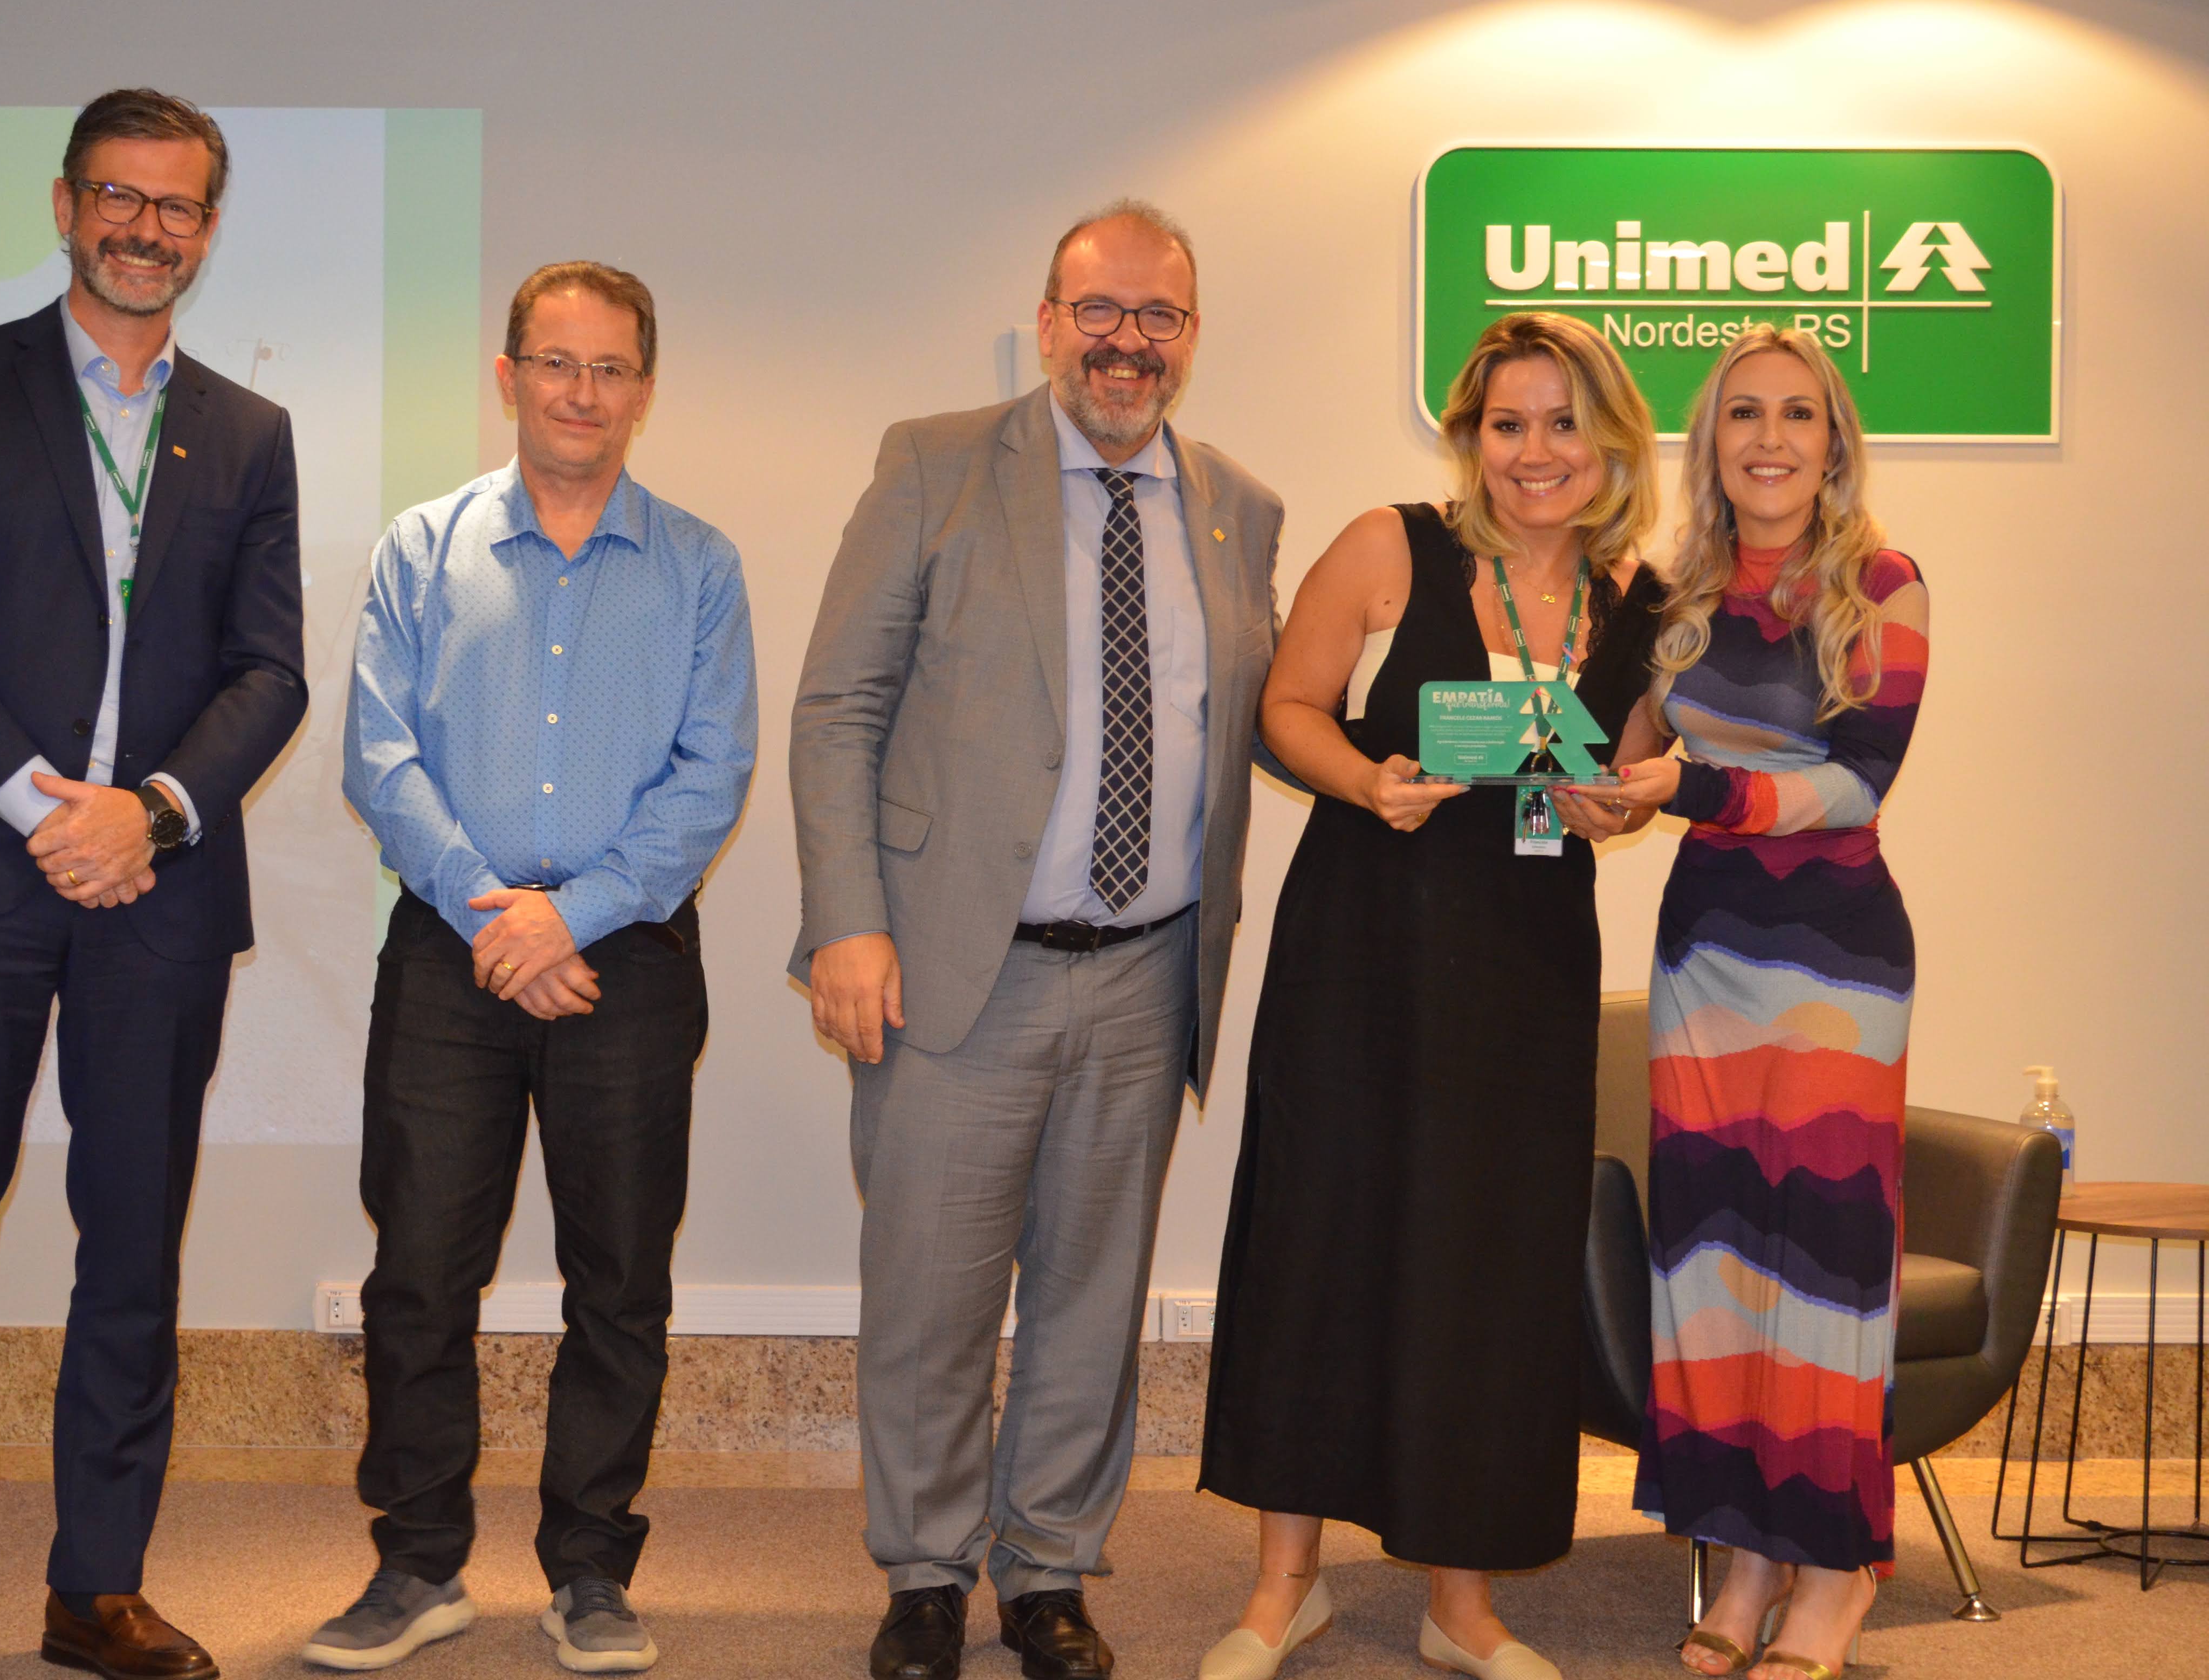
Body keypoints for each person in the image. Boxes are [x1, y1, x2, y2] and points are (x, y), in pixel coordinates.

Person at [0, 89, 306, 1680]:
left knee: (133, 1250)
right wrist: (50, 811)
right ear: (66, 205)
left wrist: (149, 816)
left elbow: (271, 671)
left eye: (176, 207)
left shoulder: (248, 431)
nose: (144, 230)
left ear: (207, 230)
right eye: (119, 197)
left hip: (157, 890)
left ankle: (95, 1588)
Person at [793, 201, 1284, 1680]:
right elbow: (839, 709)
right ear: (1050, 320)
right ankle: (925, 1573)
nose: (1128, 344)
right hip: (957, 968)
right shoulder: (934, 464)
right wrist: (847, 924)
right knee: (930, 1299)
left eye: (1159, 317)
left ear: (1191, 336)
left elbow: (1260, 720)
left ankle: (1051, 1571)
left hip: (1148, 971)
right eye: (1101, 312)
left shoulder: (1239, 506)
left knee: (1091, 1298)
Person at [1195, 313, 1665, 1680]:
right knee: (1320, 1238)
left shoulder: (1641, 602)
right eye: (1507, 425)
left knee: (1490, 1268)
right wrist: (1364, 780)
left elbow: (1630, 776)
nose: (1535, 452)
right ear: (1469, 439)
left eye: (1564, 424)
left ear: (1610, 442)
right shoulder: (1387, 546)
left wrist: (1613, 807)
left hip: (1523, 978)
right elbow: (1287, 707)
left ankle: (1461, 1605)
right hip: (1358, 959)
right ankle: (1285, 1587)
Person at [313, 261, 756, 1676]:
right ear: (508, 377)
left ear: (644, 389)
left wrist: (571, 921)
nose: (582, 392)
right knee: (418, 1271)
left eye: (611, 368)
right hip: (450, 955)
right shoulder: (420, 548)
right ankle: (418, 1563)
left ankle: (590, 1570)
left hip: (627, 959)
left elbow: (711, 774)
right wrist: (497, 917)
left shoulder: (700, 567)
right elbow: (378, 755)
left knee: (618, 1278)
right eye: (557, 363)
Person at [1608, 327, 1927, 1680]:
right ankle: (1743, 1560)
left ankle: (1835, 1574)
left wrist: (1690, 788)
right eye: (1744, 413)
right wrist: (1567, 778)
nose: (1770, 438)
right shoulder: (1671, 589)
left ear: (1833, 441)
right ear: (1712, 441)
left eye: (1799, 414)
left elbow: (1855, 784)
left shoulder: (1883, 587)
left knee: (1823, 1266)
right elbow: (1618, 756)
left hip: (1834, 964)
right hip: (1706, 955)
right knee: (1715, 1263)